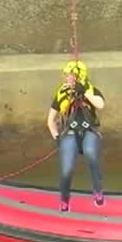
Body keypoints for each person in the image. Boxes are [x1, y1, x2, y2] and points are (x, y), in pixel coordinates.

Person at [46, 60, 106, 212]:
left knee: (91, 154)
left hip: (89, 132)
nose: (68, 79)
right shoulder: (62, 94)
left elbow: (100, 105)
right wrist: (57, 137)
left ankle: (98, 191)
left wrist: (84, 91)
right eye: (67, 76)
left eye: (72, 76)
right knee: (66, 170)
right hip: (70, 134)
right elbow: (50, 121)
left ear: (80, 77)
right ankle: (64, 201)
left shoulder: (91, 91)